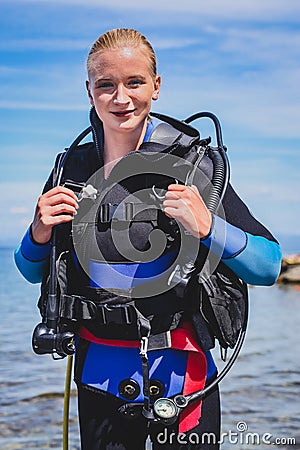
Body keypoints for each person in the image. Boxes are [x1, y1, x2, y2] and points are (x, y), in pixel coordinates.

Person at [14, 28, 282, 450]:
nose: (121, 98)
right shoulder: (71, 169)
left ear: (156, 86)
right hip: (100, 383)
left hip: (185, 383)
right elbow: (30, 271)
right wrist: (38, 232)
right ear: (89, 92)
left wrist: (210, 228)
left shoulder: (195, 167)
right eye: (106, 85)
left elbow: (269, 267)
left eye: (134, 82)